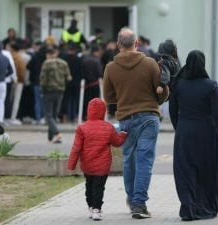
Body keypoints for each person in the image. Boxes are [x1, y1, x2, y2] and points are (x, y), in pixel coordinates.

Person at [103, 27, 168, 219]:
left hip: (126, 119)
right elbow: (162, 92)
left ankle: (132, 200)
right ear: (136, 44)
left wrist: (124, 97)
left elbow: (108, 96)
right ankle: (139, 204)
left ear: (118, 45)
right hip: (149, 117)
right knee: (145, 161)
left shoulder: (111, 67)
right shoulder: (150, 64)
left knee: (129, 161)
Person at [169, 50, 218, 221]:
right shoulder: (211, 85)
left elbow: (173, 112)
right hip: (207, 133)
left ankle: (189, 207)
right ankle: (207, 205)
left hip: (185, 132)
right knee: (207, 170)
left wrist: (180, 128)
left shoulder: (179, 85)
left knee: (186, 171)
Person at [67, 98, 127, 220]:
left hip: (87, 165)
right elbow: (117, 142)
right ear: (103, 111)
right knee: (99, 187)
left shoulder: (82, 128)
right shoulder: (108, 127)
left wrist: (71, 165)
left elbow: (76, 148)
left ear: (89, 111)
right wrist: (123, 134)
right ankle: (97, 209)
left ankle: (90, 206)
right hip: (103, 166)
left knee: (89, 186)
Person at [40, 48, 72, 143]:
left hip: (48, 91)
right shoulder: (64, 63)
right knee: (53, 115)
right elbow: (69, 78)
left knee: (48, 115)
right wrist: (62, 84)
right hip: (60, 92)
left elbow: (43, 79)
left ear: (48, 54)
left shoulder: (47, 63)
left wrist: (42, 90)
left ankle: (57, 133)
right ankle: (50, 138)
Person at [81, 45, 103, 120]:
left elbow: (82, 72)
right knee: (95, 102)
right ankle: (95, 117)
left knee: (86, 101)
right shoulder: (96, 60)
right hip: (95, 84)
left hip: (86, 84)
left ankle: (85, 116)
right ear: (96, 52)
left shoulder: (84, 59)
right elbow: (100, 72)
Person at [27, 42, 46, 125]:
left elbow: (28, 66)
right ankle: (43, 117)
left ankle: (38, 118)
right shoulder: (46, 58)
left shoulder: (34, 57)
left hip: (36, 81)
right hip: (45, 83)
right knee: (44, 101)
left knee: (37, 101)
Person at [8, 42, 26, 125]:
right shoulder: (18, 57)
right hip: (18, 81)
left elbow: (21, 71)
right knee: (15, 101)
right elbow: (22, 72)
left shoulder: (15, 58)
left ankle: (12, 117)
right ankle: (12, 117)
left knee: (13, 100)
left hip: (16, 81)